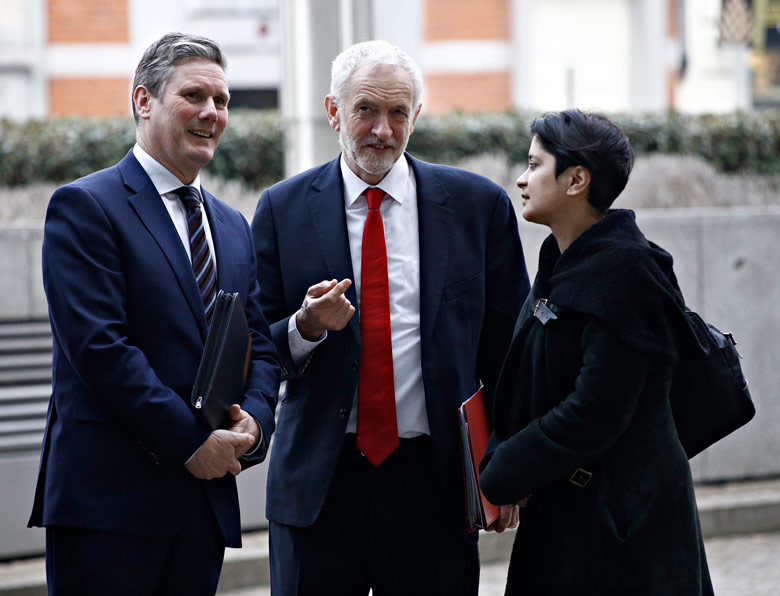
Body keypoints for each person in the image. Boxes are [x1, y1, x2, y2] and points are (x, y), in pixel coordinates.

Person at [251, 40, 529, 595]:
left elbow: (510, 351)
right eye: (366, 110)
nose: (382, 129)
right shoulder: (283, 210)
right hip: (321, 486)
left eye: (398, 112)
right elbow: (258, 347)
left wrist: (510, 465)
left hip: (435, 481)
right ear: (333, 111)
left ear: (416, 116)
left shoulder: (477, 207)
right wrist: (305, 326)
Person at [27, 32, 280, 595]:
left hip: (202, 509)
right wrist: (190, 443)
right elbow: (99, 349)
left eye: (222, 101)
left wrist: (255, 421)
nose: (212, 113)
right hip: (109, 510)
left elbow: (258, 343)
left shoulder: (231, 225)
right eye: (195, 95)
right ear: (144, 101)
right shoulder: (86, 206)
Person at [479, 109, 714, 595]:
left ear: (576, 180)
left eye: (534, 165)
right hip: (569, 512)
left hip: (625, 527)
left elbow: (595, 411)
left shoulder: (627, 271)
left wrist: (505, 469)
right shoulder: (561, 256)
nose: (521, 180)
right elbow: (532, 373)